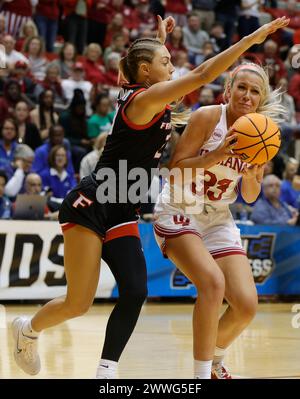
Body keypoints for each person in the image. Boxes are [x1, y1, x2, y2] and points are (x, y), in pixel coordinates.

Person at [11, 15, 289, 378]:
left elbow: (143, 64)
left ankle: (109, 372)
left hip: (129, 206)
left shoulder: (146, 89)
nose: (172, 67)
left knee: (139, 291)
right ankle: (27, 331)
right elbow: (204, 74)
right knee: (79, 303)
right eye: (166, 62)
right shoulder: (147, 100)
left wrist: (159, 41)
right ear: (147, 72)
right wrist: (251, 38)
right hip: (99, 201)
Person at [153, 62, 286, 379]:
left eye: (255, 91)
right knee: (212, 284)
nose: (247, 95)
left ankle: (213, 362)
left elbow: (251, 195)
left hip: (217, 216)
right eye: (242, 87)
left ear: (260, 98)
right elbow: (175, 171)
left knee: (245, 304)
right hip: (180, 206)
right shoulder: (208, 117)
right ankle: (200, 375)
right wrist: (214, 155)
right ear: (229, 89)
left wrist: (254, 174)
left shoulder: (262, 132)